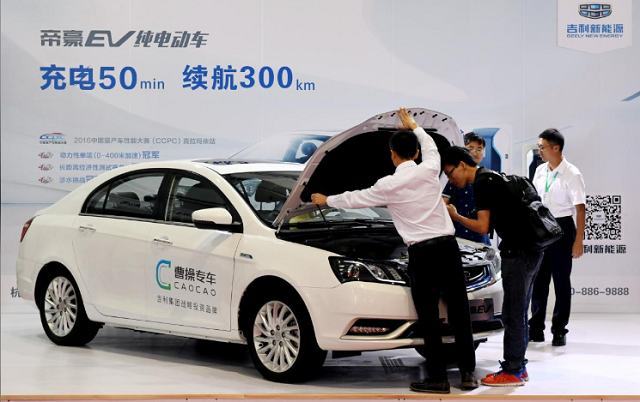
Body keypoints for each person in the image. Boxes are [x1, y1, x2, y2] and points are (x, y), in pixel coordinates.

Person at [311, 108, 477, 394]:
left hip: (423, 253)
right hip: (449, 248)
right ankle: (467, 375)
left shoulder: (388, 185)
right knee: (460, 312)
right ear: (415, 153)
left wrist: (326, 200)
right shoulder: (429, 169)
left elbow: (356, 199)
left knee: (429, 318)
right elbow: (430, 146)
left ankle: (437, 379)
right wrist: (415, 126)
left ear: (392, 155)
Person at [441, 146, 543, 387]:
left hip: (517, 252)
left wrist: (455, 216)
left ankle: (513, 370)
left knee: (513, 313)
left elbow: (483, 227)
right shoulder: (493, 176)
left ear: (462, 165)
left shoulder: (482, 183)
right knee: (518, 312)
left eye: (449, 173)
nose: (450, 180)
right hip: (531, 249)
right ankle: (519, 365)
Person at [528, 128, 585, 346]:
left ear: (556, 148)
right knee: (538, 281)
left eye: (542, 147)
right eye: (539, 147)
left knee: (561, 282)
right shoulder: (540, 170)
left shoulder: (572, 173)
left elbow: (580, 209)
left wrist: (578, 239)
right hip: (541, 228)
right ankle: (536, 328)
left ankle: (559, 330)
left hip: (562, 228)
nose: (539, 151)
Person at [442, 132, 491, 244]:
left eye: (479, 149)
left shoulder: (484, 181)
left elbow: (483, 226)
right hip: (459, 237)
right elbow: (443, 205)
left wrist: (455, 216)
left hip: (480, 240)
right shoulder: (453, 179)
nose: (475, 153)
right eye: (471, 148)